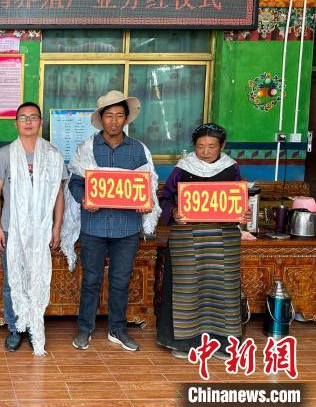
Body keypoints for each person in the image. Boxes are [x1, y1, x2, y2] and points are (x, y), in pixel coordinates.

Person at [67, 90, 160, 352]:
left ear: (126, 118)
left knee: (120, 280)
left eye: (120, 115)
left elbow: (149, 185)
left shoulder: (138, 150)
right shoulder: (87, 148)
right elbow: (75, 183)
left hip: (126, 227)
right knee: (91, 280)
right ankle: (85, 329)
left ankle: (117, 329)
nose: (114, 121)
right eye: (109, 115)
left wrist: (146, 202)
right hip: (94, 226)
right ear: (101, 118)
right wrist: (84, 199)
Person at [156, 123, 250, 359]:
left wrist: (243, 214)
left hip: (222, 239)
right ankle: (185, 343)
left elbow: (238, 200)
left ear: (222, 146)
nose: (205, 151)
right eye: (200, 146)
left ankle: (223, 343)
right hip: (187, 239)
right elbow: (165, 199)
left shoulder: (231, 168)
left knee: (222, 289)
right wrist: (174, 211)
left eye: (211, 146)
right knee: (187, 290)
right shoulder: (183, 168)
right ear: (194, 146)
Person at [0, 102, 66, 355]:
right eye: (23, 118)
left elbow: (58, 194)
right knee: (12, 280)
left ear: (40, 122)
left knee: (38, 277)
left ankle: (34, 326)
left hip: (41, 229)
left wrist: (57, 227)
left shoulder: (52, 154)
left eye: (33, 117)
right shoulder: (5, 154)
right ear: (16, 123)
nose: (28, 122)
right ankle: (15, 328)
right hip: (12, 228)